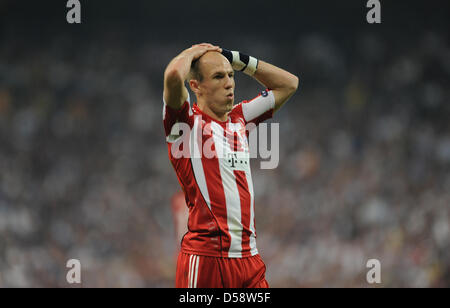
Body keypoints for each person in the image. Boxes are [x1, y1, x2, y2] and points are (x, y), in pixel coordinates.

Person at [162, 43, 298, 288]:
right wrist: (194, 52)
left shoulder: (241, 118)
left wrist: (237, 60)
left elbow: (289, 84)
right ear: (195, 86)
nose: (229, 83)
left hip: (249, 260)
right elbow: (173, 75)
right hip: (206, 261)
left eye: (230, 75)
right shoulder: (184, 127)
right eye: (218, 76)